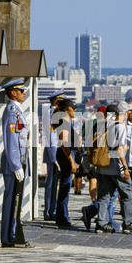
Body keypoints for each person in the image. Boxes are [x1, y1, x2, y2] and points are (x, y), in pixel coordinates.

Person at [95, 102, 132, 234]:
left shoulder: (104, 124)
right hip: (116, 168)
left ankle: (101, 224)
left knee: (104, 196)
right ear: (124, 113)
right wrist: (125, 167)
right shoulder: (120, 127)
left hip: (103, 167)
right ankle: (128, 222)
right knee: (128, 194)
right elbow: (119, 149)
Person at [0, 78, 31, 248]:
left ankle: (13, 235)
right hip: (14, 164)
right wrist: (16, 165)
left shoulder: (17, 111)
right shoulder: (12, 111)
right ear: (13, 92)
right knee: (12, 199)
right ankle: (8, 237)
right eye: (21, 90)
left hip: (19, 162)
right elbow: (11, 140)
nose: (24, 93)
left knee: (15, 201)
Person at [53, 98, 80, 227]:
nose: (74, 110)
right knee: (65, 187)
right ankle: (62, 217)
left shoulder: (65, 120)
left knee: (66, 186)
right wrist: (72, 162)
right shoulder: (63, 121)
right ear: (65, 110)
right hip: (66, 155)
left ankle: (63, 216)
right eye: (72, 108)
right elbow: (64, 143)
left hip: (66, 154)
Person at [81, 106, 106, 230]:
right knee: (107, 190)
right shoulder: (104, 124)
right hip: (100, 158)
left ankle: (93, 203)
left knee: (92, 180)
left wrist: (82, 153)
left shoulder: (89, 123)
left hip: (88, 156)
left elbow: (80, 138)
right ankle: (94, 210)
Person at [42, 89, 64, 220]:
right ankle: (49, 211)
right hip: (53, 152)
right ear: (56, 101)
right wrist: (53, 156)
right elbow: (50, 136)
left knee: (55, 183)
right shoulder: (51, 114)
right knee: (51, 184)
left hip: (57, 150)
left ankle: (52, 210)